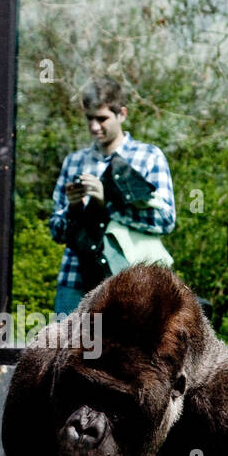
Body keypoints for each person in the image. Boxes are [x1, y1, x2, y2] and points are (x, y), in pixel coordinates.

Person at [48, 76, 176, 313]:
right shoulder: (74, 162)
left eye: (102, 118)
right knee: (68, 350)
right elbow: (56, 230)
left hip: (129, 282)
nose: (94, 127)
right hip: (74, 281)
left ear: (122, 114)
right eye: (89, 118)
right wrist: (74, 207)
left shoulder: (149, 157)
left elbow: (165, 221)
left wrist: (108, 204)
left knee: (128, 351)